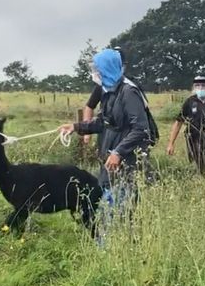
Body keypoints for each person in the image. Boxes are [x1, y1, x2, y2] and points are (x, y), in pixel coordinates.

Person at [59, 49, 151, 208]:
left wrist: (118, 152)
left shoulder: (128, 92)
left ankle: (120, 231)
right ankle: (106, 232)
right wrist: (76, 127)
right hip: (110, 158)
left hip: (126, 160)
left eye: (97, 69)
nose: (95, 73)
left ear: (108, 68)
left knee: (121, 204)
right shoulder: (108, 92)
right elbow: (103, 123)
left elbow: (141, 129)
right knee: (105, 202)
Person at [166, 75, 205, 175]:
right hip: (194, 139)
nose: (200, 88)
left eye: (203, 86)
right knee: (197, 166)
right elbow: (178, 122)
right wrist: (171, 143)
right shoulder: (190, 102)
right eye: (198, 86)